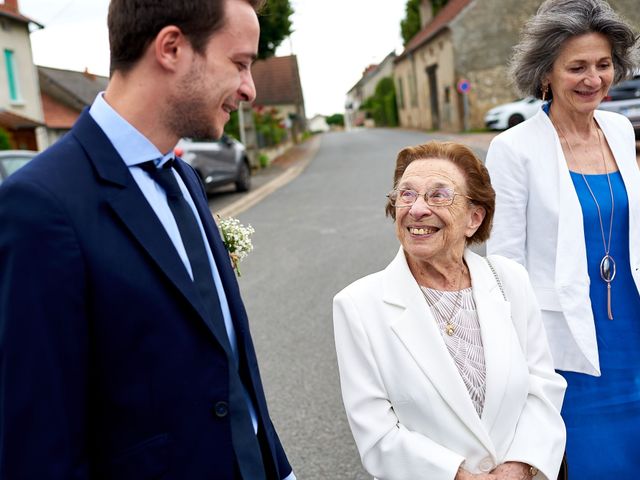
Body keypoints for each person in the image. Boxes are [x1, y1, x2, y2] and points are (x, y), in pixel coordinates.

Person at [0, 0, 296, 479]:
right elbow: (38, 445)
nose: (249, 87)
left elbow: (229, 373)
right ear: (172, 48)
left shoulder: (184, 180)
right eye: (239, 63)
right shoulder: (39, 206)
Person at [333, 141, 566, 480]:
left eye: (438, 195)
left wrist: (519, 465)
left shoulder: (510, 280)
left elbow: (543, 385)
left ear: (474, 218)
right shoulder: (358, 305)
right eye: (406, 194)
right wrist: (459, 476)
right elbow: (377, 435)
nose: (417, 209)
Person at [485, 0, 640, 477]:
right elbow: (504, 264)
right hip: (566, 344)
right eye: (577, 67)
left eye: (603, 64)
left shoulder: (618, 128)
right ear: (545, 74)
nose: (593, 78)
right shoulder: (513, 149)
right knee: (596, 462)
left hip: (631, 328)